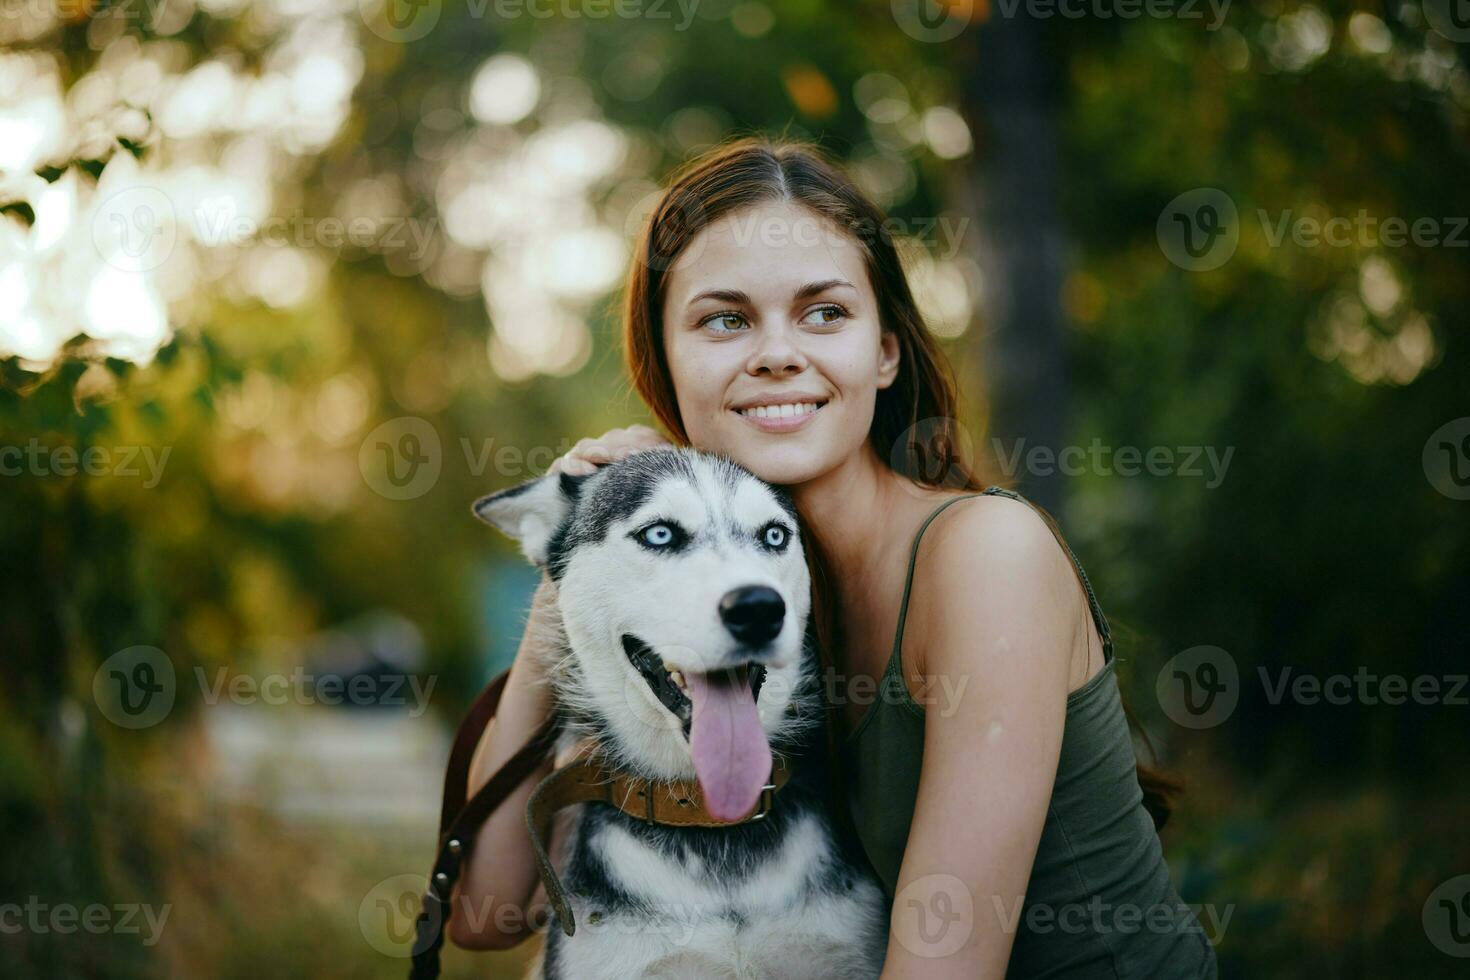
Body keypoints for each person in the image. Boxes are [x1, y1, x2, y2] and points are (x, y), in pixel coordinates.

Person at [450, 137, 1218, 978]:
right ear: (665, 362)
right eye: (725, 319)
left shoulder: (987, 557)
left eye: (825, 312)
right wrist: (575, 557)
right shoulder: (728, 600)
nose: (778, 352)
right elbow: (487, 912)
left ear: (885, 350)